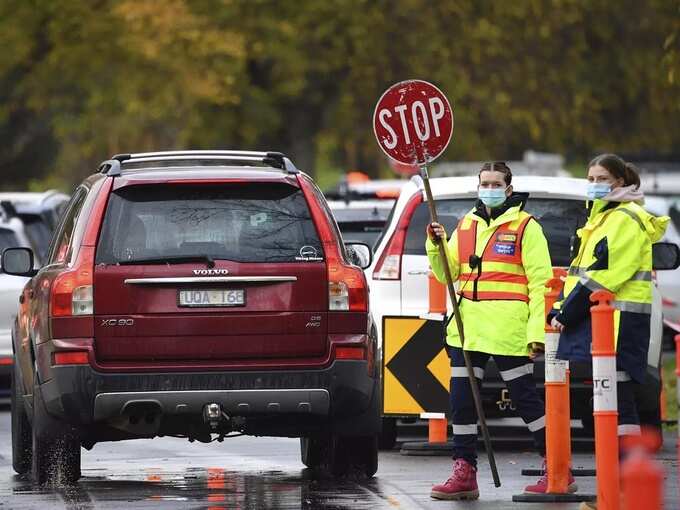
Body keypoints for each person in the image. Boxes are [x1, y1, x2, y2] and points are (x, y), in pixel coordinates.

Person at [426, 161, 564, 500]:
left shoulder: (526, 226)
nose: (488, 188)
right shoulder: (466, 224)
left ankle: (556, 466)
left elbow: (540, 284)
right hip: (467, 328)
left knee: (525, 400)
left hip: (508, 329)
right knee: (461, 402)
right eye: (483, 182)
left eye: (495, 183)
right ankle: (464, 470)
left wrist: (536, 332)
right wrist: (437, 245)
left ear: (508, 189)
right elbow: (449, 273)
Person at [547, 154, 668, 510]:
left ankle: (624, 488)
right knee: (612, 408)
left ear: (620, 182)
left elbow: (606, 276)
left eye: (602, 178)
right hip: (604, 324)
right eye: (590, 177)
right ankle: (617, 489)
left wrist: (566, 313)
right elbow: (581, 273)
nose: (595, 183)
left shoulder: (625, 220)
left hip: (618, 324)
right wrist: (560, 306)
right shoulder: (602, 218)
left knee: (620, 407)